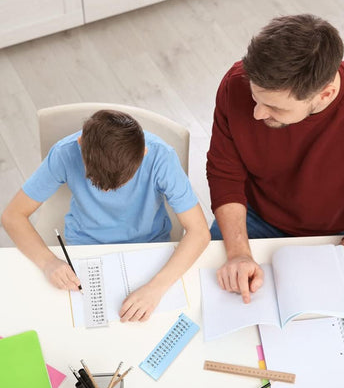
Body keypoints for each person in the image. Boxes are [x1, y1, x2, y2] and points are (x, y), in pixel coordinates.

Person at [206, 14, 344, 303]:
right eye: (256, 98)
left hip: (336, 235)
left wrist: (315, 281)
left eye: (274, 107)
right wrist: (239, 253)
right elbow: (225, 174)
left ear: (324, 94)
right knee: (211, 294)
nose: (256, 113)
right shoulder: (235, 83)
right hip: (252, 216)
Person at [2, 109, 210, 321]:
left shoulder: (161, 157)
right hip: (86, 247)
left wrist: (156, 288)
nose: (106, 193)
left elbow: (200, 232)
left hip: (147, 246)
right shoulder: (64, 153)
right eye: (95, 180)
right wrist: (48, 263)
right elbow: (13, 216)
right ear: (81, 143)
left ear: (143, 153)